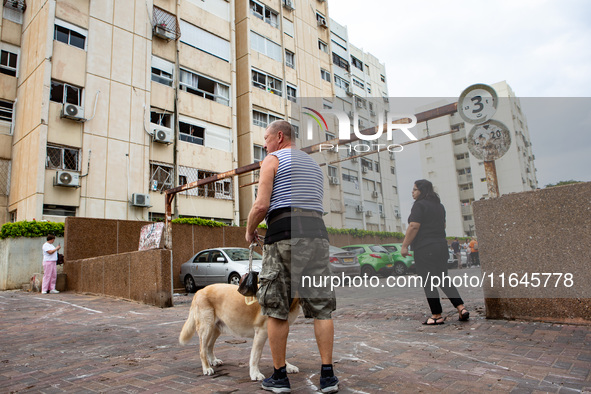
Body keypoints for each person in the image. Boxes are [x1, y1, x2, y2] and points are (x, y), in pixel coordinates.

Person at [245, 120, 338, 393]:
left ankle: (279, 377)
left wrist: (250, 231)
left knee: (276, 308)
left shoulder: (272, 159)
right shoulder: (313, 165)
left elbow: (261, 205)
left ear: (280, 136)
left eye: (266, 138)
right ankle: (328, 376)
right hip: (318, 236)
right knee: (322, 308)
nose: (264, 144)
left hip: (284, 235)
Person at [401, 180, 469, 325]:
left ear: (422, 191)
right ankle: (461, 307)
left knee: (428, 281)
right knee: (443, 278)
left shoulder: (419, 205)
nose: (412, 192)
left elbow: (414, 226)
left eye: (414, 189)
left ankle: (436, 315)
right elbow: (443, 225)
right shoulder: (439, 206)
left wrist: (405, 246)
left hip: (425, 247)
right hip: (441, 246)